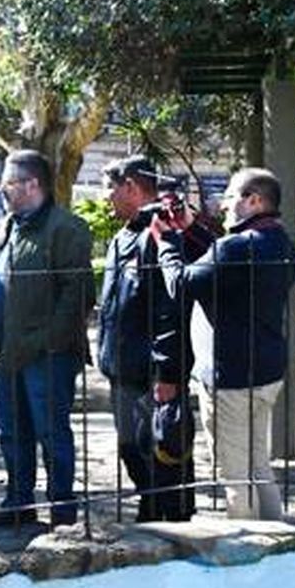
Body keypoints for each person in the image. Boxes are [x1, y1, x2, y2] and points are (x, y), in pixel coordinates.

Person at [151, 167, 295, 520]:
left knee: (234, 475)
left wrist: (167, 244)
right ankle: (280, 545)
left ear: (254, 200)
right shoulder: (281, 242)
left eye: (231, 196)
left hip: (229, 380)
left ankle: (246, 553)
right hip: (264, 373)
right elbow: (221, 263)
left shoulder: (237, 248)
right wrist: (192, 229)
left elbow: (182, 283)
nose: (223, 204)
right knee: (257, 464)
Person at [0, 150, 94, 528]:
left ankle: (62, 511)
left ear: (31, 184)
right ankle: (18, 503)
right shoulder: (4, 225)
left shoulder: (65, 228)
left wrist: (47, 341)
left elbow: (79, 294)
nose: (1, 190)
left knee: (51, 433)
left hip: (48, 355)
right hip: (8, 351)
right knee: (11, 431)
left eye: (8, 183)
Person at [96, 157, 208, 522]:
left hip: (152, 374)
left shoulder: (158, 235)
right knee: (132, 451)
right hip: (121, 369)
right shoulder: (121, 237)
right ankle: (150, 510)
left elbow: (169, 310)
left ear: (131, 186)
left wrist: (168, 373)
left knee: (163, 453)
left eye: (111, 188)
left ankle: (172, 523)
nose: (106, 197)